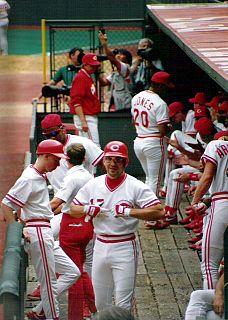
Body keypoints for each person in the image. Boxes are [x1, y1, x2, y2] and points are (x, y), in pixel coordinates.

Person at [69, 140, 164, 312]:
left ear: (125, 162)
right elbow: (73, 209)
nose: (113, 164)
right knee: (100, 303)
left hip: (125, 246)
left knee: (123, 304)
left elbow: (158, 211)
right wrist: (86, 209)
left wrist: (130, 212)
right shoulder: (94, 183)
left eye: (118, 160)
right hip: (100, 245)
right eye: (109, 159)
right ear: (103, 160)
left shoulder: (134, 185)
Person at [1, 139, 70, 320]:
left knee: (72, 272)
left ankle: (39, 311)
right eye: (56, 159)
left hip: (44, 228)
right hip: (38, 230)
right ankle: (52, 317)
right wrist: (17, 227)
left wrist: (21, 218)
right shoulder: (29, 177)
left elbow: (18, 205)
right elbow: (7, 204)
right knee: (49, 282)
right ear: (46, 156)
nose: (58, 163)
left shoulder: (36, 174)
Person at [51, 143, 97, 320]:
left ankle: (78, 313)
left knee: (74, 271)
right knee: (84, 267)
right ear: (84, 159)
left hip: (72, 226)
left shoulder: (71, 178)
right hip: (88, 224)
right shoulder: (89, 175)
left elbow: (57, 203)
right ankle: (92, 307)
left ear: (67, 160)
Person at [131, 71, 173, 229]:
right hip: (154, 142)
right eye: (165, 86)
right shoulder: (160, 103)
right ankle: (152, 218)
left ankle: (146, 212)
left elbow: (133, 121)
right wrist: (168, 126)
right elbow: (163, 130)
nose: (167, 90)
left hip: (139, 141)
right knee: (155, 181)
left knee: (149, 179)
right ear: (159, 85)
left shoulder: (137, 97)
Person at [191, 130, 228, 289]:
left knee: (209, 266)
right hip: (219, 199)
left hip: (222, 204)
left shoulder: (216, 144)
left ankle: (215, 311)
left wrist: (195, 201)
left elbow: (207, 177)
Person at [41, 113, 104, 193]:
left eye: (54, 133)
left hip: (83, 198)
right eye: (47, 135)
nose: (51, 138)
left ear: (62, 129)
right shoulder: (45, 150)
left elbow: (103, 162)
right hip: (60, 200)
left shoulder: (83, 143)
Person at [70, 53, 101, 147]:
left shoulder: (87, 76)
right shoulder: (81, 77)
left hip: (88, 116)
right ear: (85, 65)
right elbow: (76, 101)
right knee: (94, 147)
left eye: (95, 66)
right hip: (86, 117)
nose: (94, 68)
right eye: (92, 66)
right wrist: (83, 121)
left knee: (86, 148)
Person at [98, 31, 133, 112]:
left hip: (125, 106)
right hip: (117, 105)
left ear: (127, 58)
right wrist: (97, 71)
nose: (118, 55)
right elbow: (103, 83)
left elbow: (112, 58)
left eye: (121, 54)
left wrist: (104, 44)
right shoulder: (116, 73)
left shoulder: (126, 68)